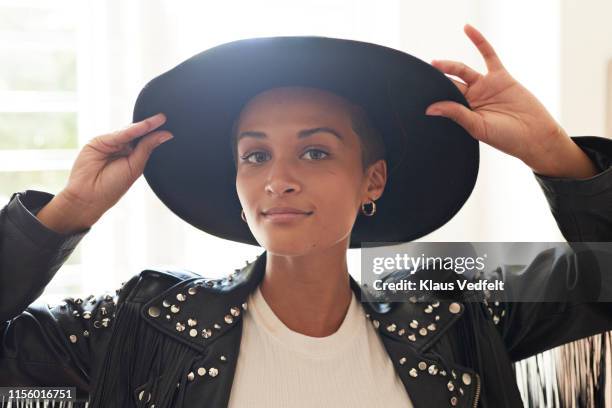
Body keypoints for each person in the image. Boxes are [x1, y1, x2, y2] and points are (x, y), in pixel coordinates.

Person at [1, 24, 611, 408]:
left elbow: (604, 279)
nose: (278, 178)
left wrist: (554, 151)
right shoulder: (147, 316)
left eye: (315, 151)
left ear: (373, 178)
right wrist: (66, 214)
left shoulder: (448, 292)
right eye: (255, 155)